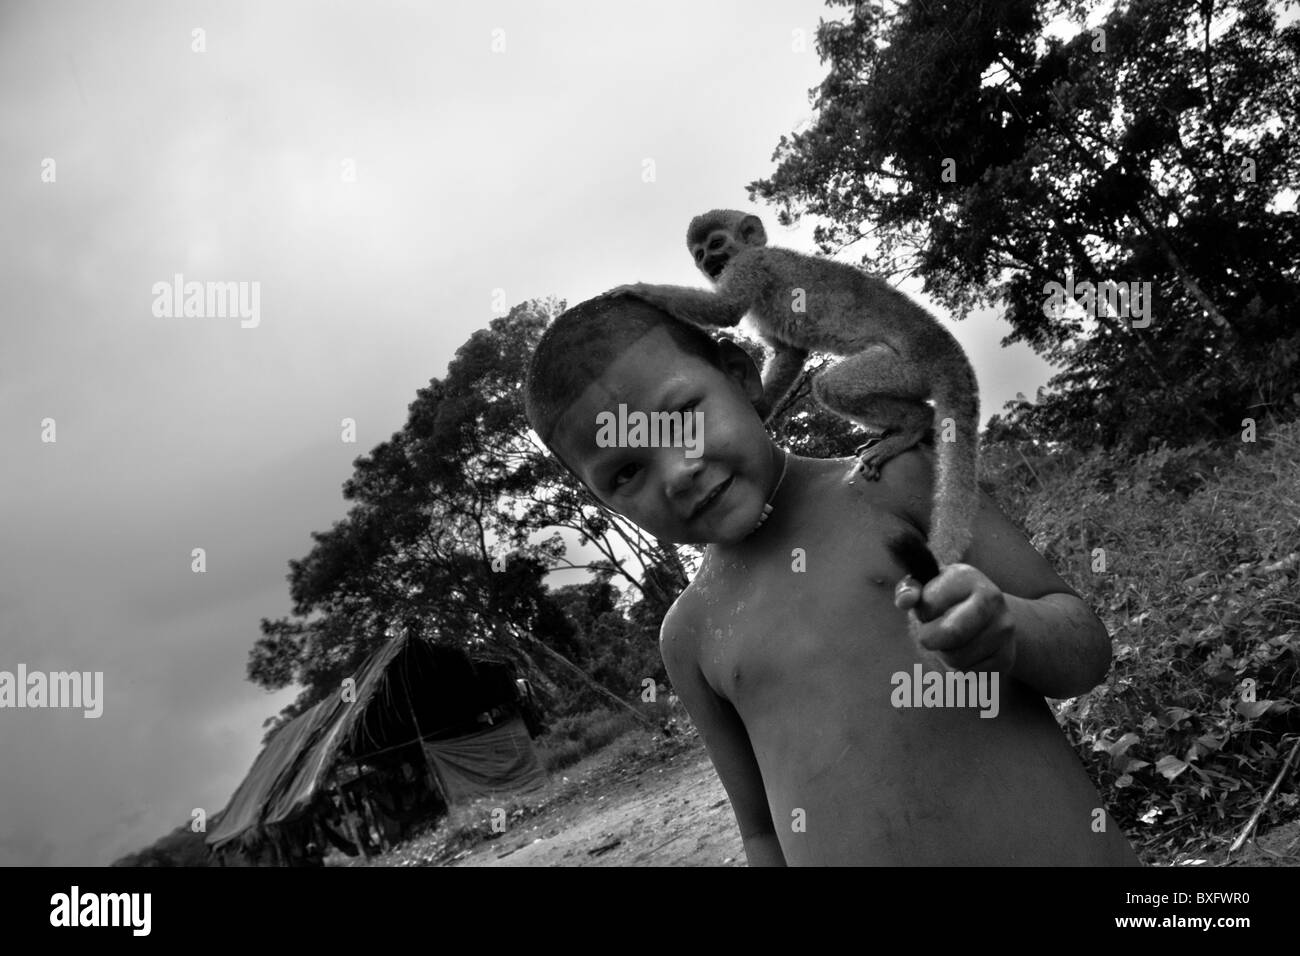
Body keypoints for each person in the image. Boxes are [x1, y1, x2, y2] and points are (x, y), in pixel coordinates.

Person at [523, 293, 1140, 866]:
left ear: (743, 379)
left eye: (683, 414)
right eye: (627, 470)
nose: (679, 471)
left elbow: (1084, 648)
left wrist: (1009, 632)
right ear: (600, 498)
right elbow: (762, 831)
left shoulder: (897, 483)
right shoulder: (689, 636)